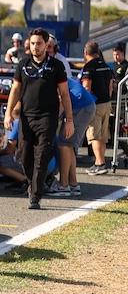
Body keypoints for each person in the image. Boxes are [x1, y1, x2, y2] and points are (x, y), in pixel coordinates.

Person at [4, 28, 74, 210]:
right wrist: (8, 113)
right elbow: (15, 90)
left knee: (41, 156)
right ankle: (31, 183)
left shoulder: (56, 66)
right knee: (25, 156)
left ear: (46, 45)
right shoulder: (23, 64)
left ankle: (35, 196)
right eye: (33, 43)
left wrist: (69, 120)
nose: (36, 47)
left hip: (48, 118)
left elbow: (65, 94)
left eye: (40, 44)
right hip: (27, 118)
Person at [51, 63, 94, 198]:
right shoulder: (58, 75)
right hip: (86, 106)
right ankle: (73, 184)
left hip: (80, 107)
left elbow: (62, 100)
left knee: (63, 144)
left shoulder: (52, 79)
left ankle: (63, 185)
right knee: (68, 146)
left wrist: (52, 122)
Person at [80, 40, 114, 175]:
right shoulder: (106, 65)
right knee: (103, 136)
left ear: (85, 52)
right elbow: (111, 86)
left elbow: (86, 88)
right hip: (107, 103)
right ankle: (100, 162)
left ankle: (99, 164)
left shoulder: (88, 67)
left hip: (94, 104)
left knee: (94, 135)